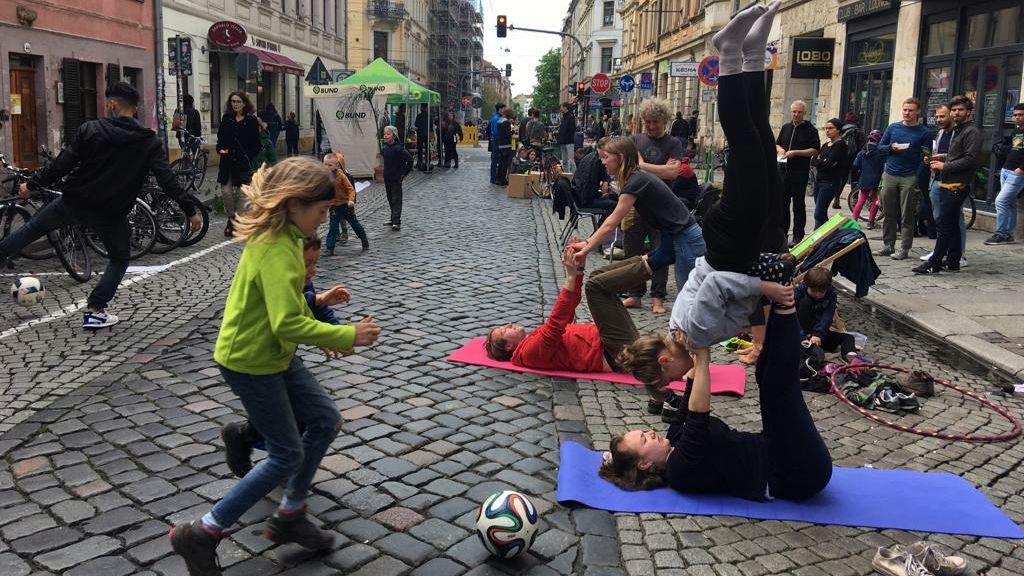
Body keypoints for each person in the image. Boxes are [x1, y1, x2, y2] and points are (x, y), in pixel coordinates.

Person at [169, 158, 381, 575]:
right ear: (296, 204)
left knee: (323, 420)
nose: (322, 220)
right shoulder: (277, 247)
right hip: (251, 361)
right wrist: (345, 335)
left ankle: (290, 514)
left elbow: (291, 312)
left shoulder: (284, 237)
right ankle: (202, 533)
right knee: (285, 454)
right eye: (320, 212)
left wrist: (326, 324)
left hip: (274, 355)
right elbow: (287, 321)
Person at [612, 1, 797, 385]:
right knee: (761, 138)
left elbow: (715, 284)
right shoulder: (687, 335)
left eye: (674, 378)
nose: (685, 377)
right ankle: (753, 57)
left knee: (746, 141)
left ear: (665, 362)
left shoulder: (691, 333)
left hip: (729, 248)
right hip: (732, 246)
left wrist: (767, 289)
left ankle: (729, 52)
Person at [3, 82, 200, 330]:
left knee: (30, 230)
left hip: (74, 201)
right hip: (111, 212)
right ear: (135, 109)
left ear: (113, 104)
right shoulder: (149, 142)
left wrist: (30, 186)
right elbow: (167, 180)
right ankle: (95, 309)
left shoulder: (90, 130)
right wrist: (189, 210)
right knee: (119, 258)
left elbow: (61, 165)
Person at [603, 306, 832, 502]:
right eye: (644, 439)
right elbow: (697, 416)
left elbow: (691, 392)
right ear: (644, 464)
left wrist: (689, 346)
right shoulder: (679, 472)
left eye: (644, 431)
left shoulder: (674, 437)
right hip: (797, 472)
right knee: (779, 385)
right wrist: (702, 357)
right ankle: (786, 303)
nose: (651, 431)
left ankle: (777, 306)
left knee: (766, 373)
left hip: (776, 446)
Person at [220, 235, 354, 477]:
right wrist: (338, 334)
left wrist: (335, 331)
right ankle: (246, 441)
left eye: (315, 263)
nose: (312, 270)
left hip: (281, 354)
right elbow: (286, 317)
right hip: (256, 359)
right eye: (307, 263)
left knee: (304, 417)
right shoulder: (277, 265)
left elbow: (309, 305)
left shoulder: (300, 274)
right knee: (282, 422)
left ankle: (285, 468)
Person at [569, 136, 706, 299]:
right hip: (676, 236)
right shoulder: (636, 178)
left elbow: (610, 224)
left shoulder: (636, 180)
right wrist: (587, 243)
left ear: (620, 158)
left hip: (686, 238)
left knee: (692, 299)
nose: (603, 162)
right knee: (688, 298)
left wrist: (586, 250)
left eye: (606, 157)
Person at [486, 243, 649, 375]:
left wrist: (578, 271)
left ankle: (649, 259)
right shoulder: (528, 353)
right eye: (503, 330)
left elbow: (568, 311)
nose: (508, 324)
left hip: (609, 341)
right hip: (617, 352)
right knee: (596, 287)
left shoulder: (530, 342)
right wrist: (570, 277)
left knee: (595, 277)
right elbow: (556, 323)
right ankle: (654, 262)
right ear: (508, 346)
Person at [624, 97, 684, 315]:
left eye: (655, 122)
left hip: (662, 206)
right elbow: (633, 170)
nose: (650, 126)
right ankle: (635, 294)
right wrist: (659, 169)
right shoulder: (634, 141)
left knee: (661, 251)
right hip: (636, 204)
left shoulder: (674, 143)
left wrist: (643, 166)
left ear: (664, 121)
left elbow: (673, 172)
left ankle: (658, 297)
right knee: (632, 249)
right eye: (647, 121)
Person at [913, 96, 981, 274]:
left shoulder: (971, 131)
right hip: (947, 182)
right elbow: (957, 154)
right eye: (954, 110)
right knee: (949, 223)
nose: (956, 113)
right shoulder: (958, 130)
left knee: (944, 224)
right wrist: (941, 157)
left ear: (968, 112)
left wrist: (945, 165)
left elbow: (971, 159)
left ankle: (935, 262)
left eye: (960, 110)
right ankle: (953, 261)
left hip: (957, 185)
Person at [874, 97, 931, 260]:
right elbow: (880, 149)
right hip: (890, 174)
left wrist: (917, 174)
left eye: (911, 110)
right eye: (905, 110)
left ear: (918, 111)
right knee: (888, 212)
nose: (907, 113)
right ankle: (888, 245)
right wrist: (891, 148)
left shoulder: (924, 132)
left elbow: (927, 156)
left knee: (907, 214)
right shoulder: (893, 128)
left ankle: (904, 248)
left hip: (909, 176)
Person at [918, 106, 963, 264]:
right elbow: (941, 152)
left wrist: (941, 160)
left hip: (952, 181)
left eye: (942, 116)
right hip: (937, 178)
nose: (939, 120)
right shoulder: (940, 132)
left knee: (954, 219)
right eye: (937, 117)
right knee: (939, 218)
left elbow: (957, 156)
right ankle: (941, 250)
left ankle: (957, 255)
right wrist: (931, 159)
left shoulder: (958, 133)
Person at [217, 91, 262, 237]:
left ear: (244, 103)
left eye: (238, 101)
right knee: (226, 192)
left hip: (243, 163)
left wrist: (248, 155)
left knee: (243, 194)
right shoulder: (226, 119)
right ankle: (232, 218)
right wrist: (220, 149)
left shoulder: (251, 121)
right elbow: (220, 138)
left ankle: (235, 222)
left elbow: (257, 144)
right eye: (233, 101)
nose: (235, 104)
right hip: (227, 162)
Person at [776, 100, 820, 246]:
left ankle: (798, 235)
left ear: (804, 113)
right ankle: (782, 233)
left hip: (799, 172)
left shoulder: (810, 130)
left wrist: (796, 152)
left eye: (799, 112)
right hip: (783, 171)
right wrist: (780, 150)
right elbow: (777, 143)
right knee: (782, 204)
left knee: (798, 205)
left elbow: (814, 150)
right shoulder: (786, 127)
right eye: (794, 111)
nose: (796, 114)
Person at [986, 103, 1024, 246]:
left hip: (1017, 173)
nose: (1017, 118)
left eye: (1021, 115)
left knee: (1000, 201)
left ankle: (1001, 233)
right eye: (1015, 115)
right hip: (1006, 170)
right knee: (1010, 204)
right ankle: (1008, 234)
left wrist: (1021, 169)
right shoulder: (1016, 131)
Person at [796, 267, 855, 359]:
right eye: (814, 291)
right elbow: (793, 319)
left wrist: (818, 334)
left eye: (821, 292)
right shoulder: (798, 293)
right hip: (801, 336)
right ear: (807, 285)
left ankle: (851, 358)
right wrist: (803, 337)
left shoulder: (831, 295)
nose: (818, 295)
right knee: (817, 354)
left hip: (819, 335)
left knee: (848, 338)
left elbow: (827, 316)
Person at [322, 152, 369, 253]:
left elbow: (350, 189)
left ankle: (364, 239)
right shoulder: (324, 176)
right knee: (333, 227)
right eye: (325, 164)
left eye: (329, 165)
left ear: (337, 166)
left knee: (354, 224)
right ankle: (330, 248)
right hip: (334, 206)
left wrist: (351, 200)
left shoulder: (342, 176)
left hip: (346, 205)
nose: (327, 167)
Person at [810, 118, 848, 229]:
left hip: (830, 182)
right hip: (819, 180)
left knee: (818, 214)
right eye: (826, 128)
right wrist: (822, 161)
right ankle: (828, 236)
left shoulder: (840, 145)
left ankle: (817, 240)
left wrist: (821, 161)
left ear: (838, 130)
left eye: (831, 128)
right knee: (821, 212)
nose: (827, 131)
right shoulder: (825, 145)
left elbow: (830, 163)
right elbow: (813, 161)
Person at [381, 125, 413, 231]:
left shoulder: (398, 148)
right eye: (385, 134)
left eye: (388, 134)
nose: (385, 136)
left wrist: (403, 173)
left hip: (396, 178)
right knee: (390, 198)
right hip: (387, 177)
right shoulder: (385, 148)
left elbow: (410, 160)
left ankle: (396, 221)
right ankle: (393, 218)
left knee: (396, 199)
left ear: (394, 136)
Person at [851, 130, 884, 228]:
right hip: (876, 179)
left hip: (864, 178)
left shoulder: (862, 151)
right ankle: (870, 222)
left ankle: (854, 220)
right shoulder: (880, 152)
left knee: (861, 200)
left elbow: (855, 165)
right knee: (875, 200)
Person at [835, 111, 865, 209]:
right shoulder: (859, 131)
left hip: (843, 159)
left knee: (842, 179)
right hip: (855, 159)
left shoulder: (841, 131)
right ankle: (855, 201)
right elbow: (863, 148)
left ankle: (837, 197)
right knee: (855, 180)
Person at [496, 108, 515, 186]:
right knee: (505, 164)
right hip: (507, 145)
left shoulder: (499, 121)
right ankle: (503, 180)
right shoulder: (506, 123)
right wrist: (513, 131)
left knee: (500, 163)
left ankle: (498, 178)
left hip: (501, 144)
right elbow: (508, 134)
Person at [489, 102, 506, 184]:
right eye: (503, 108)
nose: (504, 110)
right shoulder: (497, 118)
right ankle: (493, 178)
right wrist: (500, 141)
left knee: (495, 159)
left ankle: (494, 177)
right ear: (500, 109)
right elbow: (496, 132)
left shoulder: (497, 116)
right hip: (496, 141)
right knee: (495, 160)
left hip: (496, 141)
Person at [558, 102, 578, 173]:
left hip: (569, 141)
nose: (560, 108)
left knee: (570, 160)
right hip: (563, 141)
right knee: (564, 161)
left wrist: (564, 137)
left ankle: (574, 176)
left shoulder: (570, 117)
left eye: (561, 107)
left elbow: (571, 130)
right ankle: (566, 175)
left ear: (565, 107)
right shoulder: (564, 117)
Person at [415, 104, 430, 170]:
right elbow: (431, 125)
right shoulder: (429, 116)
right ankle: (428, 161)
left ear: (422, 108)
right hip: (427, 134)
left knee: (420, 149)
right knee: (427, 148)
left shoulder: (419, 116)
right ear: (426, 108)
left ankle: (420, 161)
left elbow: (416, 124)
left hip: (420, 134)